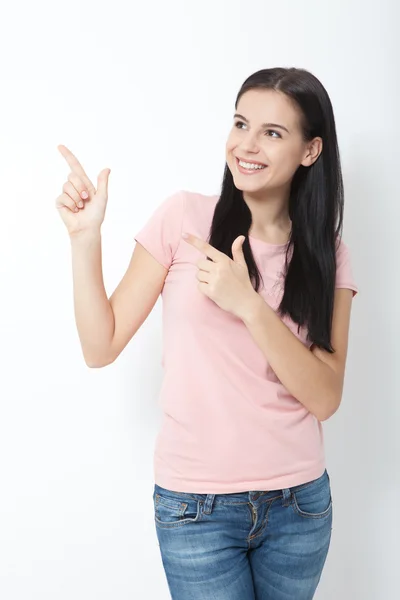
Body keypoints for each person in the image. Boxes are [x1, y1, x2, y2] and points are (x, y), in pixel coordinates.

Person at [55, 67, 358, 600]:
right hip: (196, 508)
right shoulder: (184, 219)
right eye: (241, 123)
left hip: (299, 506)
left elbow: (325, 396)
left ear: (310, 151)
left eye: (272, 132)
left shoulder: (326, 253)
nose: (246, 144)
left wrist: (249, 305)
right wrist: (85, 240)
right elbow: (99, 347)